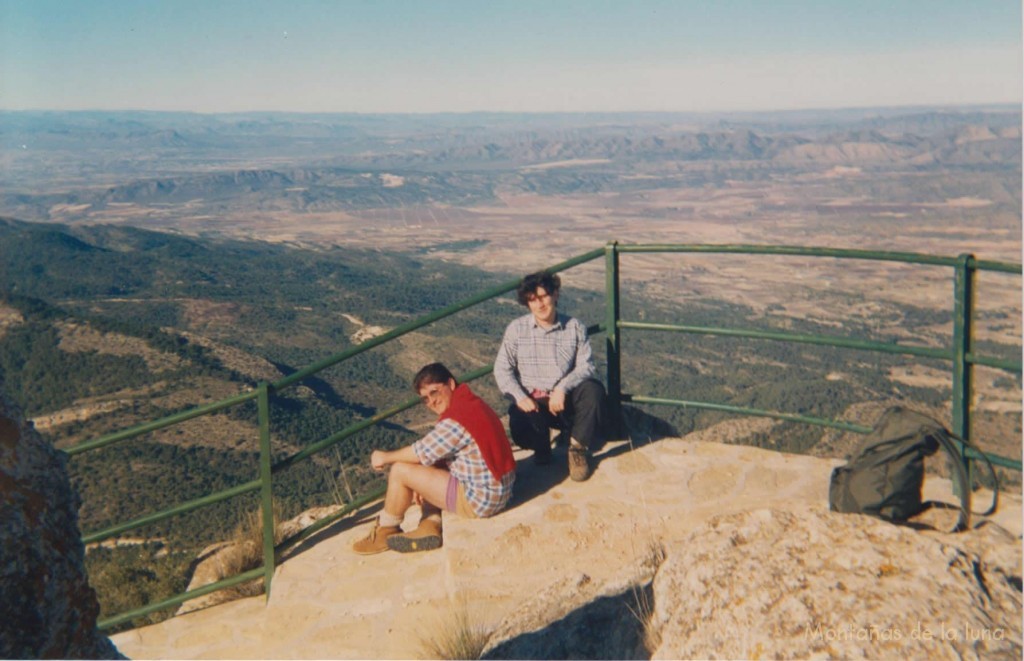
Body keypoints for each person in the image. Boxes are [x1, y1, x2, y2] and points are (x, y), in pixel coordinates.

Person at [352, 363, 516, 555]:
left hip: (481, 500)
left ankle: (386, 531)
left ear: (451, 384)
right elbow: (436, 454)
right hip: (500, 489)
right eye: (426, 398)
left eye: (435, 392)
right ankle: (430, 525)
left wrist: (384, 457)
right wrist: (421, 483)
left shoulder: (456, 420)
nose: (432, 401)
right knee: (429, 470)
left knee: (400, 470)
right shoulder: (470, 403)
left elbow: (420, 452)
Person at [494, 270, 607, 481]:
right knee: (520, 424)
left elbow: (587, 366)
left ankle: (577, 450)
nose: (540, 304)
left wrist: (562, 388)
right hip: (533, 402)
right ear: (527, 303)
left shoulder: (574, 328)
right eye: (533, 300)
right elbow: (502, 369)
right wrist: (520, 397)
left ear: (555, 294)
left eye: (544, 296)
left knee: (594, 390)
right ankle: (541, 448)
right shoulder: (516, 330)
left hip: (564, 401)